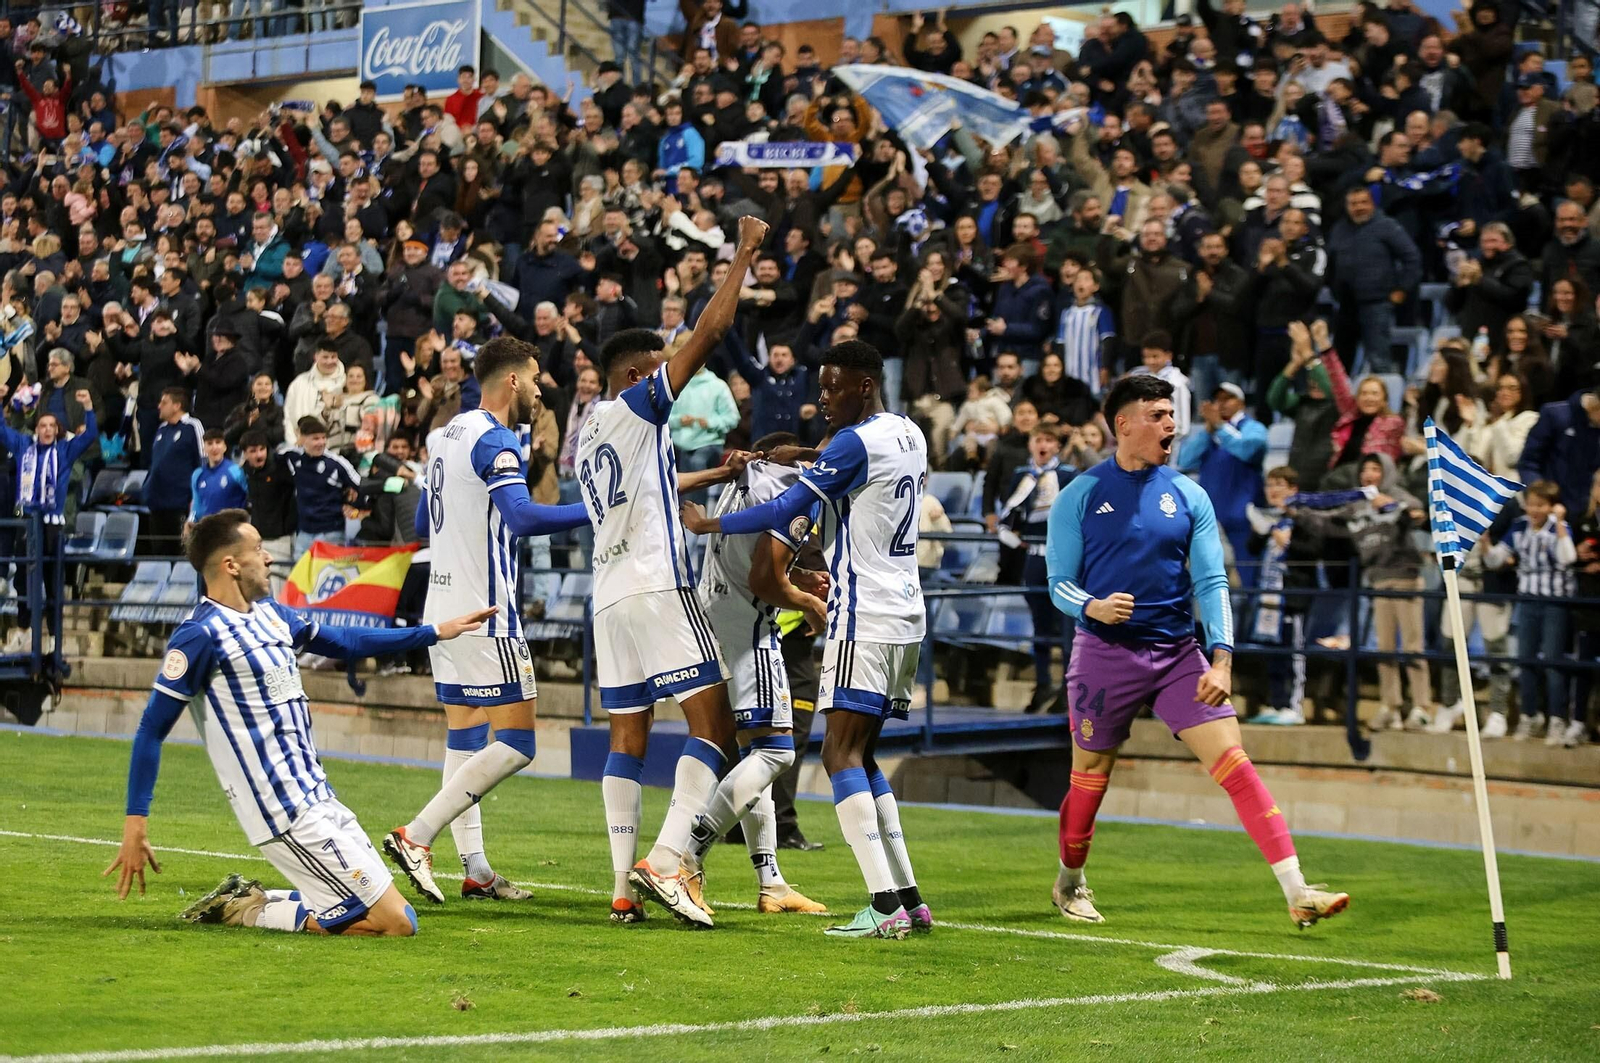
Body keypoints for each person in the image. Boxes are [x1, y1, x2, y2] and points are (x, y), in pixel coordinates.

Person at [1044, 373, 1347, 929]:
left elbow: (1213, 583)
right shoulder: (1080, 494)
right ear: (1123, 424)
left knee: (1236, 765)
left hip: (1179, 654)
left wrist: (1223, 658)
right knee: (1089, 778)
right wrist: (1092, 607)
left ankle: (1298, 890)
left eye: (1171, 413)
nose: (1170, 424)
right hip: (1105, 654)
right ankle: (1070, 880)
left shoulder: (1189, 494)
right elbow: (1058, 582)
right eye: (1158, 414)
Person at [104, 508, 497, 936]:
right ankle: (247, 911)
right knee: (398, 924)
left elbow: (346, 641)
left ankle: (249, 898)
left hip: (320, 797)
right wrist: (135, 824)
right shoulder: (201, 636)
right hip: (282, 812)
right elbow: (150, 730)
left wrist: (433, 632)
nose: (269, 557)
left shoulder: (271, 616)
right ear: (230, 565)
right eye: (257, 548)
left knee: (390, 909)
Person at [684, 338, 933, 940]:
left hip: (862, 611)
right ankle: (909, 897)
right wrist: (785, 453)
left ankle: (883, 905)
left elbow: (786, 508)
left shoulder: (851, 444)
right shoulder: (908, 434)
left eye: (832, 387)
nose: (821, 398)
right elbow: (827, 456)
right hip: (906, 612)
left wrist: (709, 521)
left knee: (837, 755)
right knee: (863, 755)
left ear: (864, 386)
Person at [576, 215, 765, 927]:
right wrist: (743, 253)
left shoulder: (595, 426)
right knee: (715, 726)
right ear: (635, 375)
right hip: (657, 583)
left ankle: (624, 889)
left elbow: (650, 485)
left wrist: (718, 469)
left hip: (608, 595)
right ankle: (667, 857)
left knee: (628, 737)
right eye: (660, 365)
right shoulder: (638, 401)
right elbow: (708, 336)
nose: (672, 373)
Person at [381, 338, 591, 906]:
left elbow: (426, 515)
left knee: (467, 734)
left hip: (443, 610)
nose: (542, 387)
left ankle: (474, 867)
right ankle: (417, 835)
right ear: (513, 381)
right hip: (486, 613)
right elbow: (521, 518)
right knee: (520, 742)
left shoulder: (444, 436)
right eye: (537, 377)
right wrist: (599, 507)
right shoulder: (497, 439)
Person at [674, 435, 830, 915]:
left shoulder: (750, 478)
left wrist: (796, 578)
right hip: (751, 629)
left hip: (716, 616)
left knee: (753, 754)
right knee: (778, 751)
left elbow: (751, 558)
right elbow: (763, 580)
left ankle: (772, 883)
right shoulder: (798, 492)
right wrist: (807, 601)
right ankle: (686, 857)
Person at [0, 388, 95, 654]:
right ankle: (23, 632)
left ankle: (54, 639)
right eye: (43, 425)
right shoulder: (23, 446)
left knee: (52, 582)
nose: (47, 430)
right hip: (27, 523)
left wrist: (88, 407)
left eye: (52, 426)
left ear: (58, 429)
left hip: (52, 524)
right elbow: (1, 430)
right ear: (37, 428)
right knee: (22, 581)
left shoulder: (65, 451)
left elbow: (90, 435)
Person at [1487, 480, 1580, 747]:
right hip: (1526, 601)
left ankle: (1557, 720)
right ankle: (1529, 715)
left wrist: (1561, 524)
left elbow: (1567, 557)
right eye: (1531, 503)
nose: (1534, 509)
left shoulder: (1560, 530)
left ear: (1552, 507)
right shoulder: (1518, 527)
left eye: (1540, 505)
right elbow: (1495, 560)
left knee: (1553, 662)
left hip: (1555, 603)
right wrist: (1485, 545)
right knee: (1525, 661)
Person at [996, 424, 1074, 714]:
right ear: (1031, 444)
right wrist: (1015, 542)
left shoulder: (1067, 475)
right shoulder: (1022, 476)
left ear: (1057, 446)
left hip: (1063, 559)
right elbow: (1008, 514)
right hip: (1034, 557)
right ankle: (1042, 684)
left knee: (1066, 626)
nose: (1043, 444)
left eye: (1049, 440)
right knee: (1039, 626)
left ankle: (1069, 687)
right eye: (1038, 438)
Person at [1178, 383, 1267, 584]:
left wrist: (1220, 426)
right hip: (1211, 520)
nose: (1222, 404)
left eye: (1228, 398)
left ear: (1241, 402)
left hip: (1243, 518)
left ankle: (1245, 616)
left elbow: (1249, 449)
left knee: (1246, 581)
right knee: (1209, 581)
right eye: (1218, 399)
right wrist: (1207, 431)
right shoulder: (1209, 433)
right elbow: (1185, 461)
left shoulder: (1254, 428)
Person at [281, 416, 360, 557]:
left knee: (326, 576)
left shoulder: (337, 462)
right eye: (315, 438)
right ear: (303, 438)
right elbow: (276, 457)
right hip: (304, 532)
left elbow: (361, 486)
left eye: (324, 438)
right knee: (300, 576)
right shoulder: (292, 456)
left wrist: (354, 505)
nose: (321, 442)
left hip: (331, 532)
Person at [187, 428, 249, 529]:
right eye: (210, 443)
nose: (214, 447)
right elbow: (196, 505)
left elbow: (249, 497)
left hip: (232, 530)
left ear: (224, 447)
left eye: (218, 442)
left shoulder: (236, 471)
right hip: (208, 531)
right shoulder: (197, 474)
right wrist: (191, 521)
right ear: (204, 448)